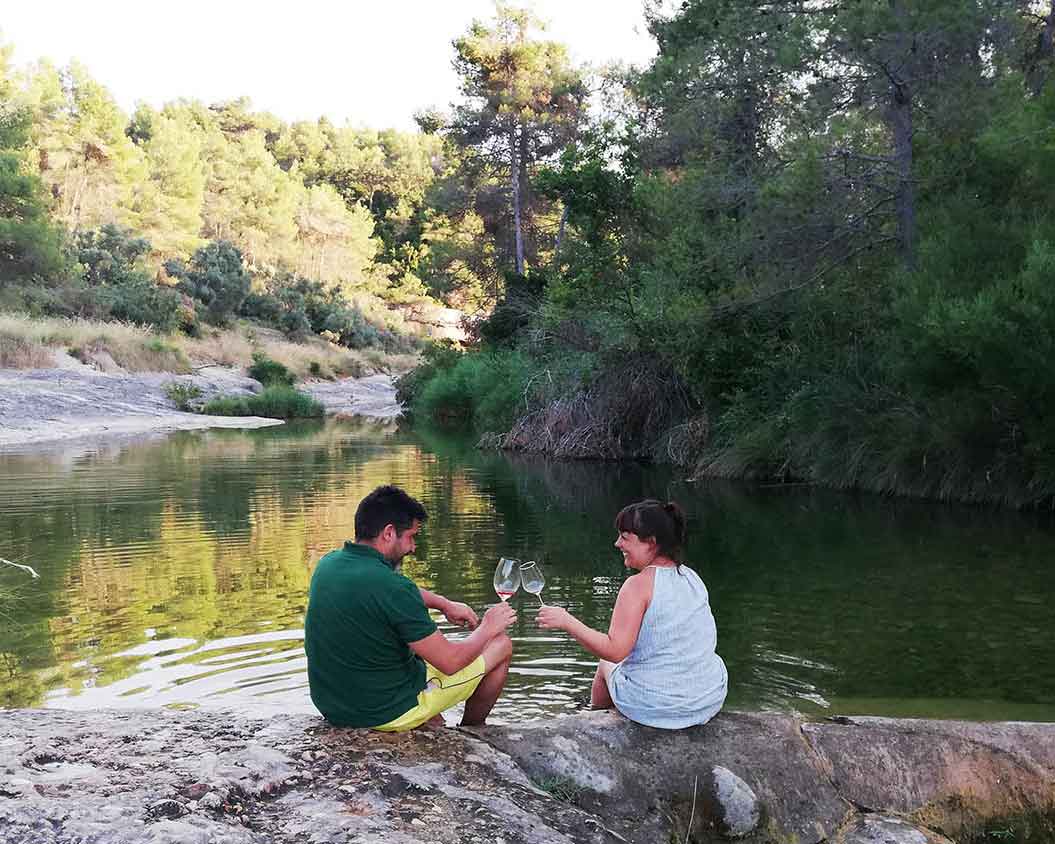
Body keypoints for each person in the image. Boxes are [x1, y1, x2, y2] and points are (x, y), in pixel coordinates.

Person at [304, 484, 515, 730]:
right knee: (500, 645)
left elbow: (392, 592)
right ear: (389, 533)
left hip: (334, 705)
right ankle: (471, 732)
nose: (413, 547)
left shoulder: (328, 564)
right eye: (411, 537)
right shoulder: (393, 587)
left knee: (414, 651)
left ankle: (432, 718)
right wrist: (488, 627)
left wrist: (443, 604)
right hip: (382, 713)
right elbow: (451, 661)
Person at [537, 499, 727, 729]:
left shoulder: (637, 586)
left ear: (651, 543)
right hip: (706, 700)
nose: (617, 543)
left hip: (657, 707)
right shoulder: (691, 577)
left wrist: (567, 621)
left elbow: (615, 651)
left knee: (605, 663)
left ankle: (594, 725)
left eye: (625, 537)